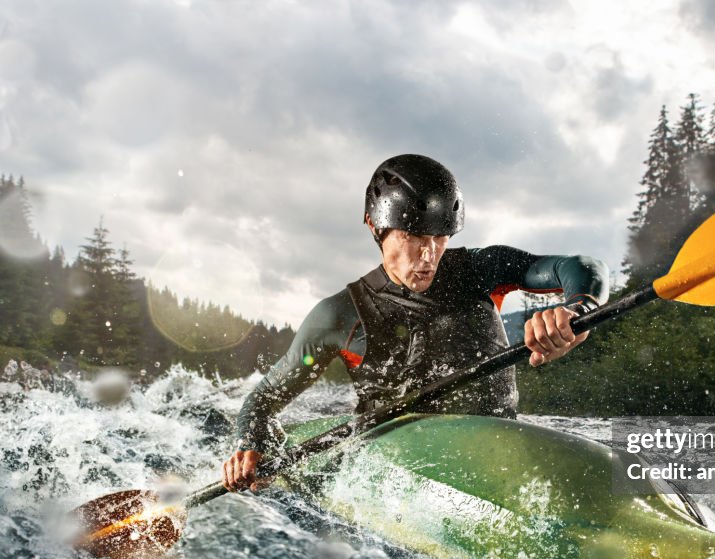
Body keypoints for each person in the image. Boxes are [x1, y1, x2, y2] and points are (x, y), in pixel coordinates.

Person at [223, 154, 609, 492]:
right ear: (376, 228)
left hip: (497, 449)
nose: (428, 255)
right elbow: (263, 400)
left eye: (439, 237)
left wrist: (577, 309)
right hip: (397, 465)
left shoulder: (477, 271)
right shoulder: (338, 316)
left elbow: (579, 267)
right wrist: (248, 444)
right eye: (412, 236)